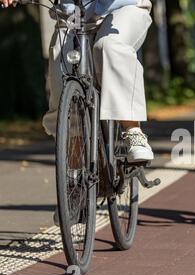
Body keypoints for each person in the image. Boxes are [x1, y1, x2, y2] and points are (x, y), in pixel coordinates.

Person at [1, 0, 154, 163]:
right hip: (73, 15)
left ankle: (133, 131)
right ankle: (73, 162)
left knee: (109, 47)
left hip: (123, 8)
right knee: (60, 61)